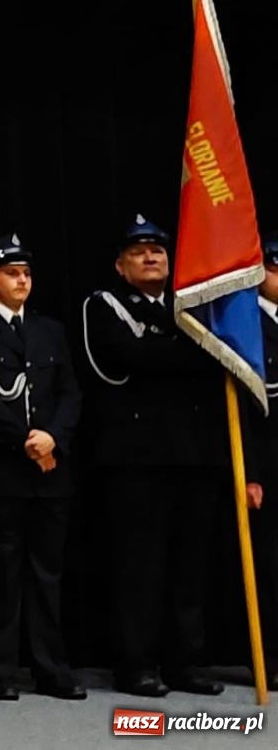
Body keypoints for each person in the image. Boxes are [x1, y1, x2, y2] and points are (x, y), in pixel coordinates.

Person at [81, 215, 225, 697]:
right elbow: (126, 358)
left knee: (190, 567)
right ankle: (136, 664)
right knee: (138, 568)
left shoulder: (193, 310)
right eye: (139, 251)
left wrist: (172, 350)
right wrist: (184, 352)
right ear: (120, 267)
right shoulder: (105, 305)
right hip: (136, 459)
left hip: (195, 455)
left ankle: (186, 662)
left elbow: (212, 360)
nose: (151, 256)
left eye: (158, 250)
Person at [0, 233, 85, 701]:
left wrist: (53, 436)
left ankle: (51, 668)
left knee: (48, 574)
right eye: (12, 273)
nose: (22, 281)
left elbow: (70, 392)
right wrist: (25, 440)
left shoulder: (48, 330)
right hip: (2, 472)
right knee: (0, 575)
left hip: (51, 473)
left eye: (27, 273)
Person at [243, 232, 278, 691]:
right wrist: (249, 472)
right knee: (270, 564)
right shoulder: (244, 326)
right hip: (267, 463)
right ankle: (266, 655)